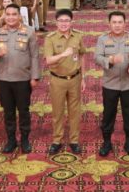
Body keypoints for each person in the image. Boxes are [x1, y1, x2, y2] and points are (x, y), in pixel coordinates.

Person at [0, 4, 40, 154]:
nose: (11, 17)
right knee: (8, 111)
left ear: (19, 16)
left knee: (23, 111)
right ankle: (11, 140)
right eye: (8, 14)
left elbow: (35, 56)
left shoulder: (29, 32)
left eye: (14, 14)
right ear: (4, 16)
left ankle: (25, 139)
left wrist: (35, 76)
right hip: (4, 79)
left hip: (23, 79)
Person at [95, 11, 129, 156]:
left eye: (120, 22)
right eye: (114, 22)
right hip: (110, 84)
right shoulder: (103, 39)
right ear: (109, 24)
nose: (117, 25)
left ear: (125, 23)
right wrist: (110, 60)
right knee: (108, 114)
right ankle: (106, 142)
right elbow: (97, 57)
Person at [44, 9, 86, 155]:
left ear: (71, 22)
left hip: (75, 79)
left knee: (75, 112)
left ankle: (74, 141)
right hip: (57, 80)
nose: (64, 23)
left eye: (67, 21)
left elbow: (82, 56)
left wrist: (83, 77)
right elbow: (48, 60)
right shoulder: (50, 38)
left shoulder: (78, 36)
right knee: (58, 112)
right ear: (56, 22)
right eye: (61, 21)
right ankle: (57, 140)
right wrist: (63, 54)